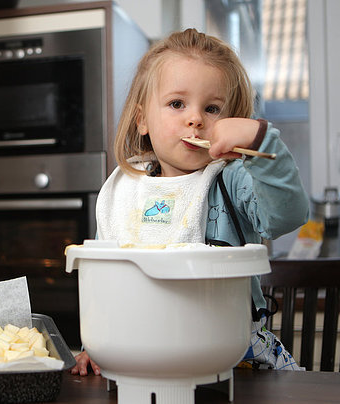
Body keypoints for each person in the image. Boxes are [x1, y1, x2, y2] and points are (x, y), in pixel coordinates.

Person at [71, 28, 309, 376]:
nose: (195, 119)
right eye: (177, 104)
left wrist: (260, 142)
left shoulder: (232, 179)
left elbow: (287, 215)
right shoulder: (124, 188)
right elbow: (106, 278)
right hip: (140, 357)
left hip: (230, 359)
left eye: (212, 108)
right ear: (142, 120)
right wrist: (97, 344)